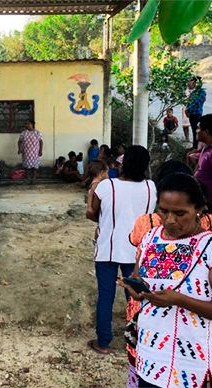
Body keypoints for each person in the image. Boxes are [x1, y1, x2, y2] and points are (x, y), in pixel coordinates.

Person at [119, 173, 212, 388]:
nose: (170, 220)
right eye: (163, 211)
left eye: (180, 213)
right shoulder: (150, 239)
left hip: (192, 367)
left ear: (199, 209)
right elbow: (139, 277)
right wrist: (137, 289)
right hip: (150, 358)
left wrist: (180, 300)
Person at [86, 145, 157, 354]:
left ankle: (103, 342)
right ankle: (137, 341)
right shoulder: (151, 187)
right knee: (135, 295)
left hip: (108, 247)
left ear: (122, 164)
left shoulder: (107, 186)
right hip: (137, 251)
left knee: (106, 295)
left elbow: (93, 212)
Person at [18, 119, 43, 184]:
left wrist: (40, 150)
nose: (27, 125)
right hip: (26, 152)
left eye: (28, 123)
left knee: (35, 166)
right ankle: (28, 178)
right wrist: (19, 149)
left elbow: (41, 142)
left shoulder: (37, 132)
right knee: (26, 166)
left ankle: (34, 178)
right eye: (26, 124)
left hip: (35, 152)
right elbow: (19, 141)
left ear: (32, 124)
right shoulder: (23, 133)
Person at [185, 76, 206, 149]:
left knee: (196, 131)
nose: (188, 84)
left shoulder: (200, 93)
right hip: (193, 113)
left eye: (190, 82)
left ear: (194, 83)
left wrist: (188, 110)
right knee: (194, 131)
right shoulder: (195, 92)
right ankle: (195, 146)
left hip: (196, 113)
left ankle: (196, 147)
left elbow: (196, 103)